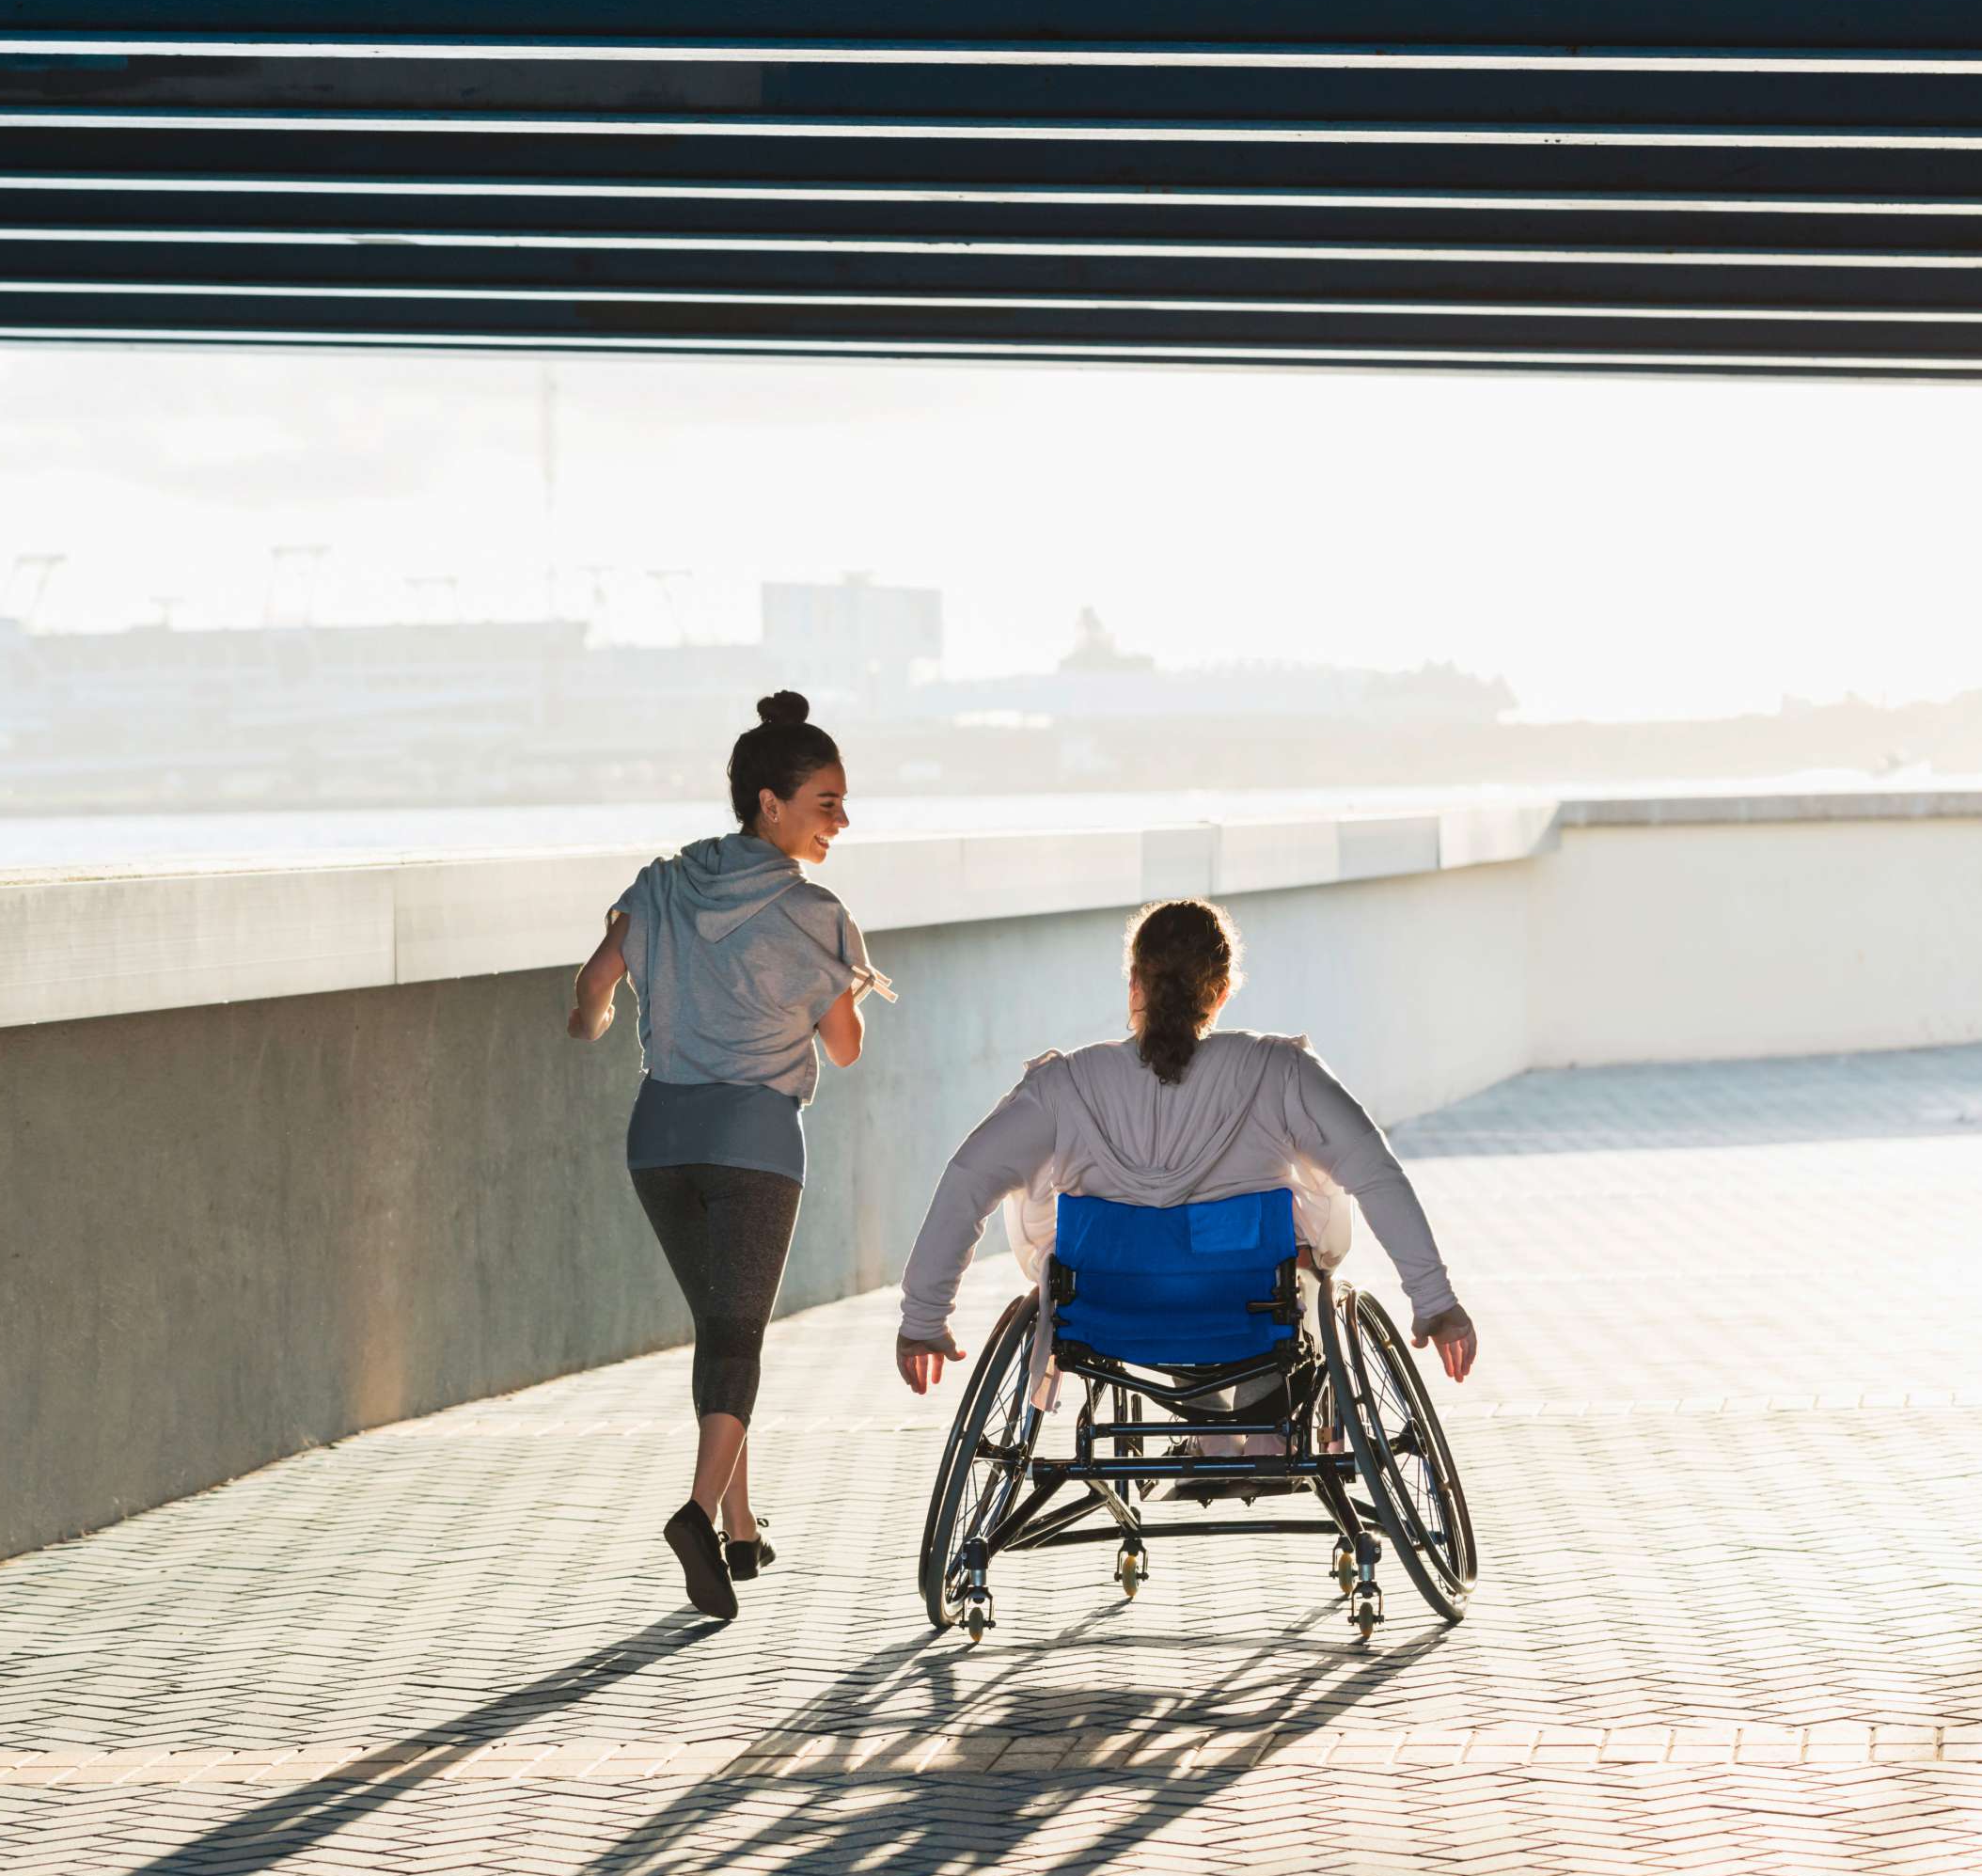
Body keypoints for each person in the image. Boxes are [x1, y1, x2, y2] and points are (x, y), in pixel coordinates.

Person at [892, 899, 1477, 1411]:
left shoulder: (1064, 1085)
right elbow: (1374, 1171)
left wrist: (924, 1318)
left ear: (1134, 985)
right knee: (1299, 1216)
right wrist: (1435, 1302)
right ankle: (1260, 1412)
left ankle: (1210, 1424)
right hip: (1250, 1302)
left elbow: (969, 1178)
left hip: (1106, 1306)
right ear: (1222, 992)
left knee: (1071, 1217)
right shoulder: (1278, 1071)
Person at [569, 691, 889, 1620]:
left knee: (722, 1325)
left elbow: (594, 987)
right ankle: (697, 1515)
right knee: (739, 1331)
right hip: (752, 1140)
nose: (841, 819)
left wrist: (589, 1022)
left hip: (659, 1136)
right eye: (826, 801)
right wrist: (835, 987)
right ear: (770, 803)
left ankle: (742, 1528)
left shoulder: (662, 884)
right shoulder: (812, 913)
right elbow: (845, 1047)